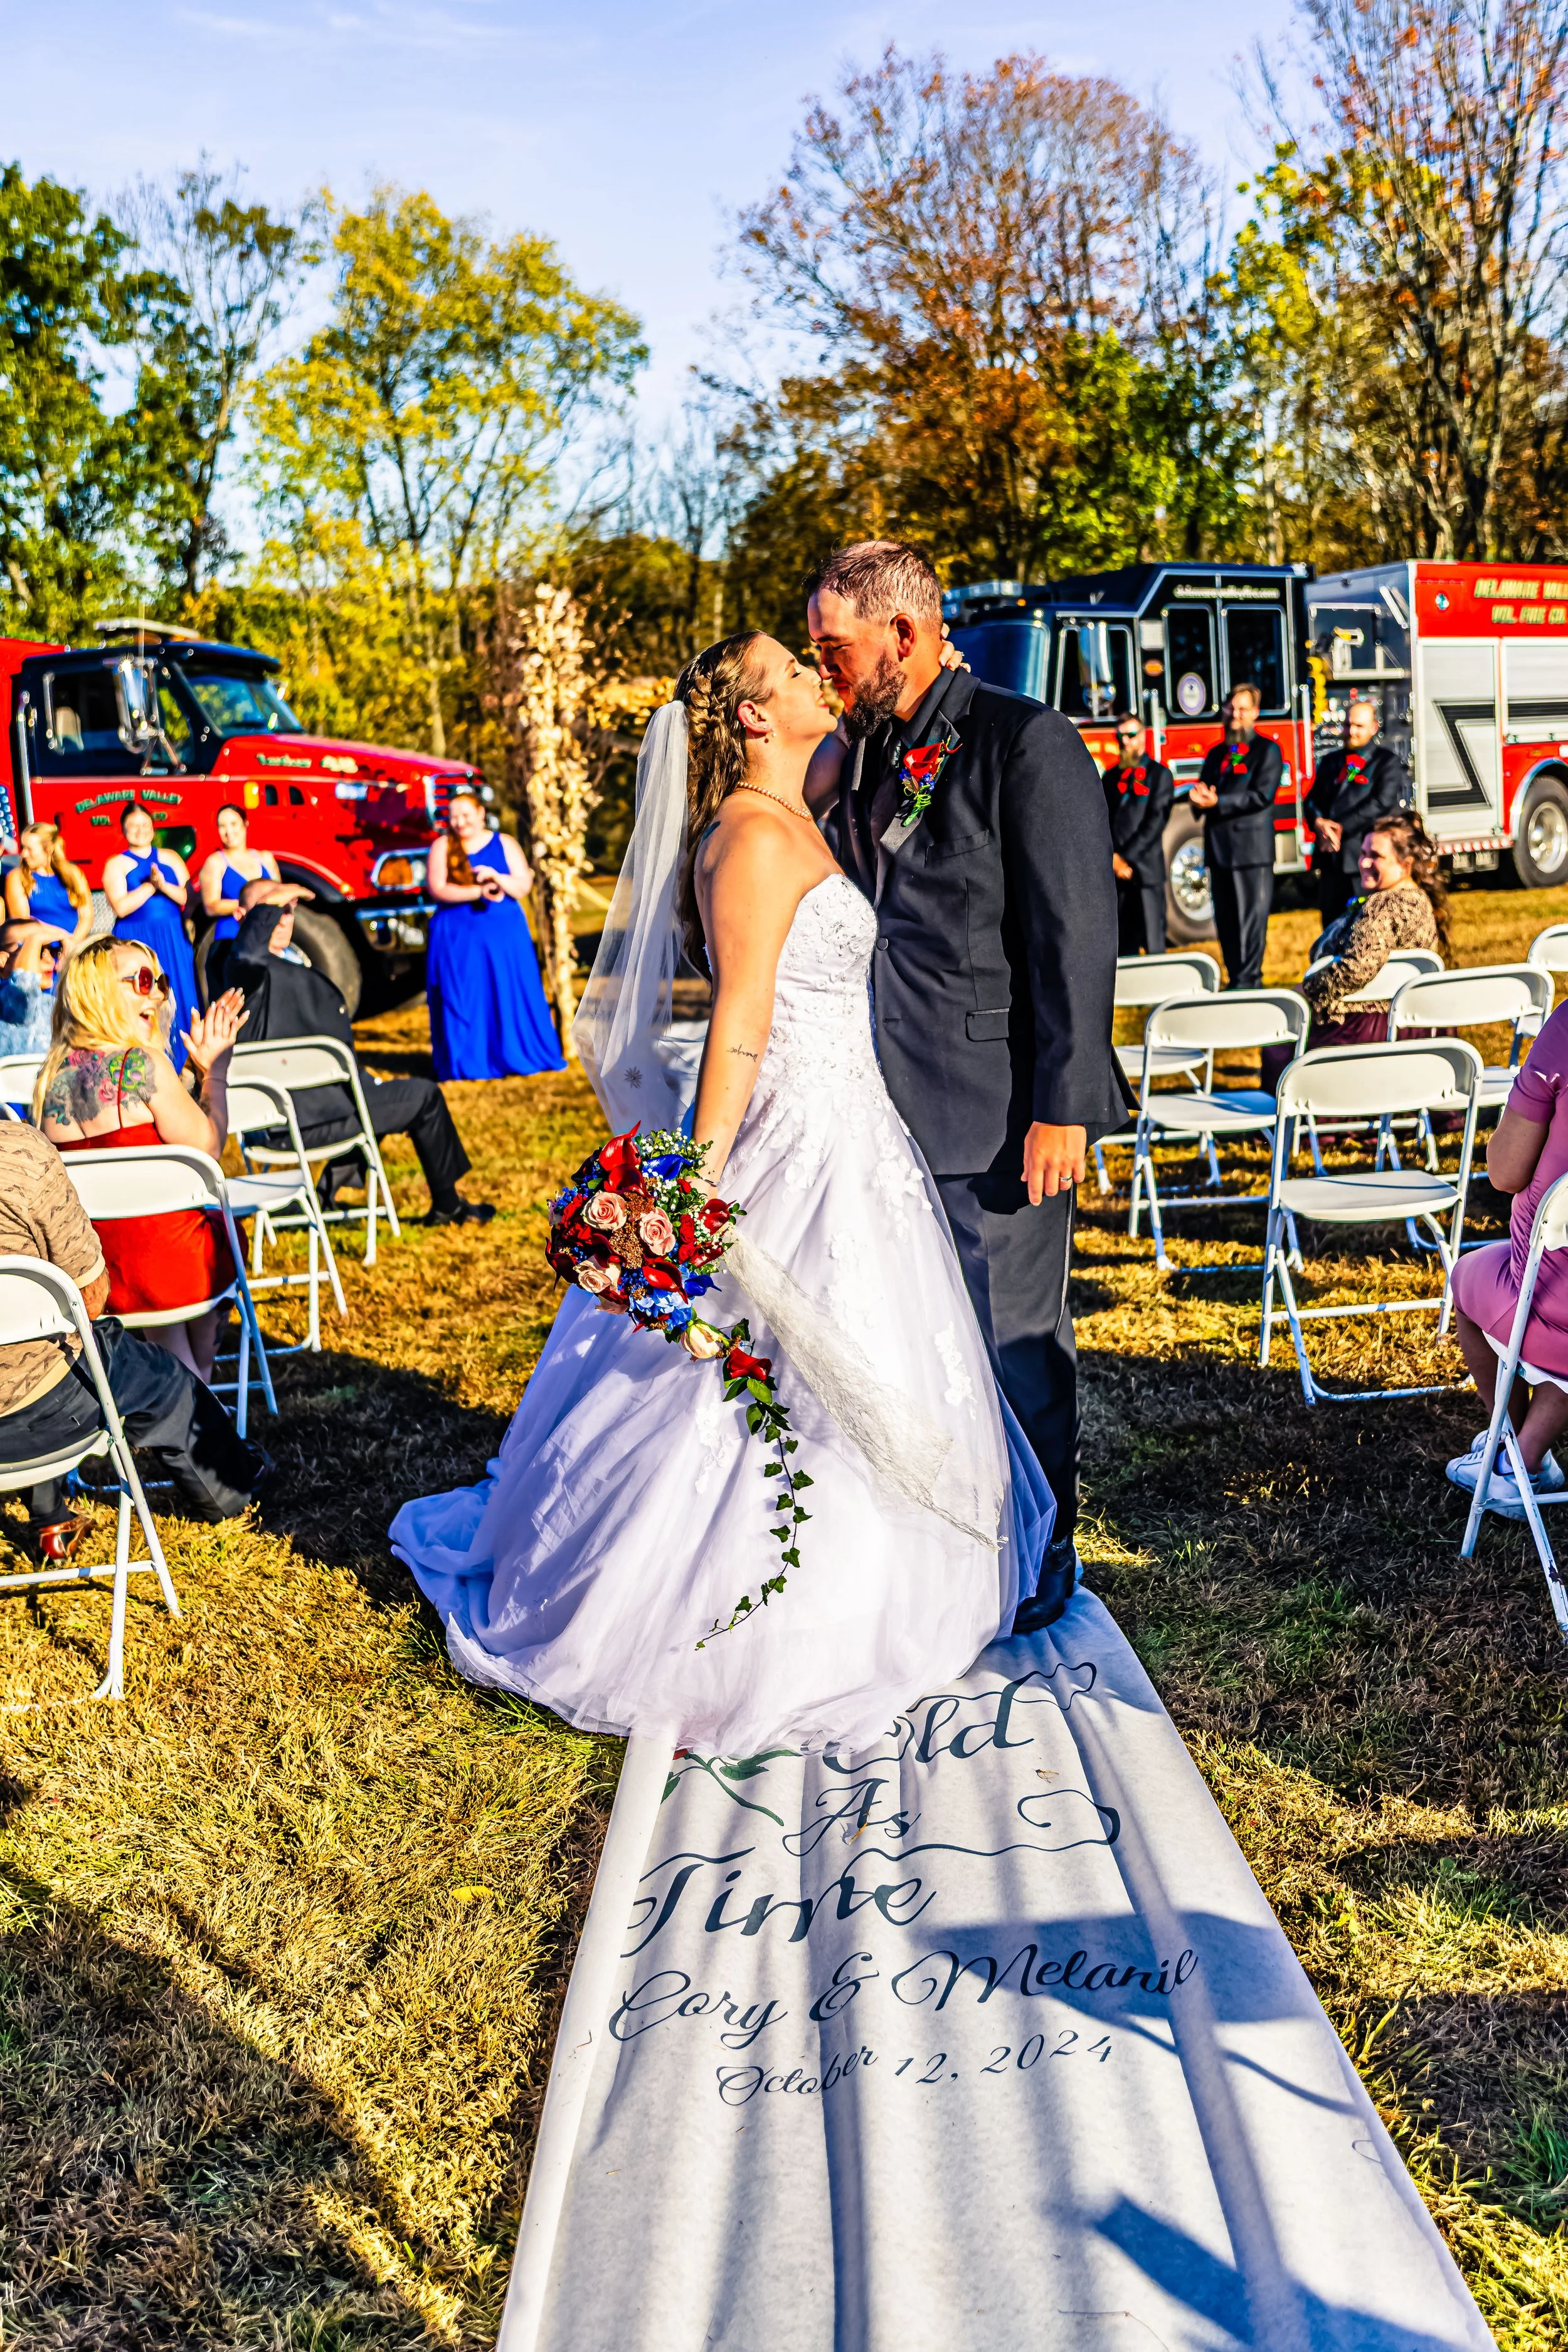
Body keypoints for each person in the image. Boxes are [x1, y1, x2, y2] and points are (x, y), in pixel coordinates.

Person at [390, 635, 1055, 1757]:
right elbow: (740, 1021)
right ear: (752, 719)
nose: (813, 679)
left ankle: (898, 1590)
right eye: (793, 673)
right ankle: (740, 1620)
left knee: (864, 1358)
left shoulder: (797, 813)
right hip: (796, 1136)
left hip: (857, 1129)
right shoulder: (747, 836)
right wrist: (692, 1184)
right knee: (759, 1377)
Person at [808, 540, 1128, 1628]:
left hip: (1000, 1110)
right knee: (925, 1343)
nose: (825, 670)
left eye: (835, 649)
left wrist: (1062, 1106)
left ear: (902, 633)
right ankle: (948, 1544)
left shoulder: (1023, 741)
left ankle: (1043, 1551)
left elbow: (1075, 937)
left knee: (1013, 1340)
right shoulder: (865, 750)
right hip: (883, 1101)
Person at [0, 1116, 265, 1562]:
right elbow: (91, 1295)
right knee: (157, 1378)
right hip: (47, 1403)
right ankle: (231, 1492)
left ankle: (52, 1518)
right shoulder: (18, 1152)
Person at [36, 936, 248, 1383]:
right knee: (224, 1230)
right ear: (99, 991)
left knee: (173, 1238)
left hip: (98, 1269)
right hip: (165, 1266)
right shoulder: (145, 1065)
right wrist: (219, 1072)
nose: (158, 994)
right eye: (144, 981)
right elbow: (208, 1148)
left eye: (162, 982)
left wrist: (191, 1072)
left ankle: (196, 1392)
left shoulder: (52, 1081)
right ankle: (199, 1403)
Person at [228, 879, 495, 1227]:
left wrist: (365, 1078)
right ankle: (448, 1204)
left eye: (289, 910)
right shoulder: (240, 967)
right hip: (296, 1119)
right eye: (272, 909)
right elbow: (247, 952)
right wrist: (275, 899)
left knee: (378, 1095)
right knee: (424, 1096)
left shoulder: (282, 962)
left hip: (317, 1105)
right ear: (242, 916)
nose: (282, 918)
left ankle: (325, 1194)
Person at [1447, 997, 1568, 1517]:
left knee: (1469, 1281)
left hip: (1551, 1293)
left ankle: (1519, 1458)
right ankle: (1523, 1452)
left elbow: (1505, 1173)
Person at [1259, 815, 1447, 1094]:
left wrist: (1306, 991)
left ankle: (1292, 1116)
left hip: (1362, 1028)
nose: (1364, 863)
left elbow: (1358, 967)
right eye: (1362, 854)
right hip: (1411, 1024)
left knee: (1280, 1042)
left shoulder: (1385, 906)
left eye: (1376, 856)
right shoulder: (1419, 900)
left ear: (1405, 864)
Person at [426, 787, 566, 1081]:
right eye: (454, 817)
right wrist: (477, 891)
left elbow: (523, 884)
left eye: (466, 815)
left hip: (504, 938)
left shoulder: (505, 843)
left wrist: (495, 877)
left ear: (481, 814)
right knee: (467, 998)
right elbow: (438, 888)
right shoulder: (442, 846)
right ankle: (469, 1062)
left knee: (508, 992)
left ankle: (517, 1053)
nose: (460, 823)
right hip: (458, 939)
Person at [1189, 682, 1280, 989]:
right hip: (1219, 848)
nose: (1235, 715)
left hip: (1251, 851)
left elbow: (1262, 796)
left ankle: (1250, 980)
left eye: (1242, 709)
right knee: (1226, 921)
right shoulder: (1217, 753)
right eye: (1230, 708)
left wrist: (1219, 802)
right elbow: (1206, 789)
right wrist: (1198, 798)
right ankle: (1234, 978)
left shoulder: (1267, 750)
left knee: (1250, 921)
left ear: (1255, 713)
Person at [104, 803, 199, 1072]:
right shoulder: (116, 863)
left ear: (153, 827)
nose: (140, 830)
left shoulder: (170, 857)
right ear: (124, 830)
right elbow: (121, 907)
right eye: (133, 826)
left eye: (145, 825)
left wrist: (163, 886)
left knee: (181, 995)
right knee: (143, 996)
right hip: (137, 938)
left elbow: (186, 898)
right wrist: (150, 887)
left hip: (172, 936)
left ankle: (189, 1063)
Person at [1304, 699, 1409, 929]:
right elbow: (1311, 800)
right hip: (1331, 860)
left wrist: (1340, 829)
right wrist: (1319, 823)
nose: (1352, 731)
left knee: (1364, 924)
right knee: (1331, 927)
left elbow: (1380, 803)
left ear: (1373, 728)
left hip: (1363, 858)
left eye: (1359, 726)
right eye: (1348, 725)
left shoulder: (1386, 763)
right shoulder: (1330, 762)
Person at [1100, 712, 1175, 955]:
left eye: (1131, 735)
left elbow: (1155, 823)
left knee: (1154, 944)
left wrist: (1126, 858)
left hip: (1146, 872)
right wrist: (1112, 859)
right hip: (1116, 874)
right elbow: (1102, 822)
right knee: (1123, 948)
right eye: (1120, 736)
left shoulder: (1160, 775)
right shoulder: (1109, 778)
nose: (1125, 741)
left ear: (1143, 737)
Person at [198, 805, 280, 995]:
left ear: (245, 825)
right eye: (222, 826)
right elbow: (211, 906)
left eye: (233, 824)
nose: (228, 831)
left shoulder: (266, 858)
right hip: (231, 939)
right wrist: (252, 905)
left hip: (265, 937)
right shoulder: (216, 862)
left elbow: (279, 894)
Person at [4, 822, 91, 950]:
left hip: (73, 949)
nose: (24, 854)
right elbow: (24, 922)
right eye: (23, 848)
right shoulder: (17, 877)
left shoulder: (74, 874)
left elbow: (87, 916)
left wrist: (72, 944)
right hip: (40, 952)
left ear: (48, 849)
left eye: (29, 849)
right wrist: (62, 938)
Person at [0, 921, 59, 1057]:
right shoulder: (5, 997)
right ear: (3, 960)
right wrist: (35, 937)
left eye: (53, 951)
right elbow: (25, 986)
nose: (50, 960)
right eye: (38, 952)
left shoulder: (53, 1001)